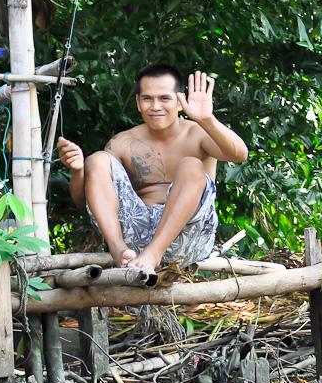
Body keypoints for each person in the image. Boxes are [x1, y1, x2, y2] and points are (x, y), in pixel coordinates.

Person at [57, 65, 248, 274]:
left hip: (188, 236)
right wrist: (78, 170)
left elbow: (239, 155)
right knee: (96, 160)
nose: (156, 106)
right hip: (135, 238)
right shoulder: (123, 142)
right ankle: (117, 249)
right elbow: (85, 201)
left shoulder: (199, 133)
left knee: (191, 165)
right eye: (148, 99)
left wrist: (206, 119)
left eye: (164, 98)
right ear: (138, 102)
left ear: (179, 100)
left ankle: (154, 253)